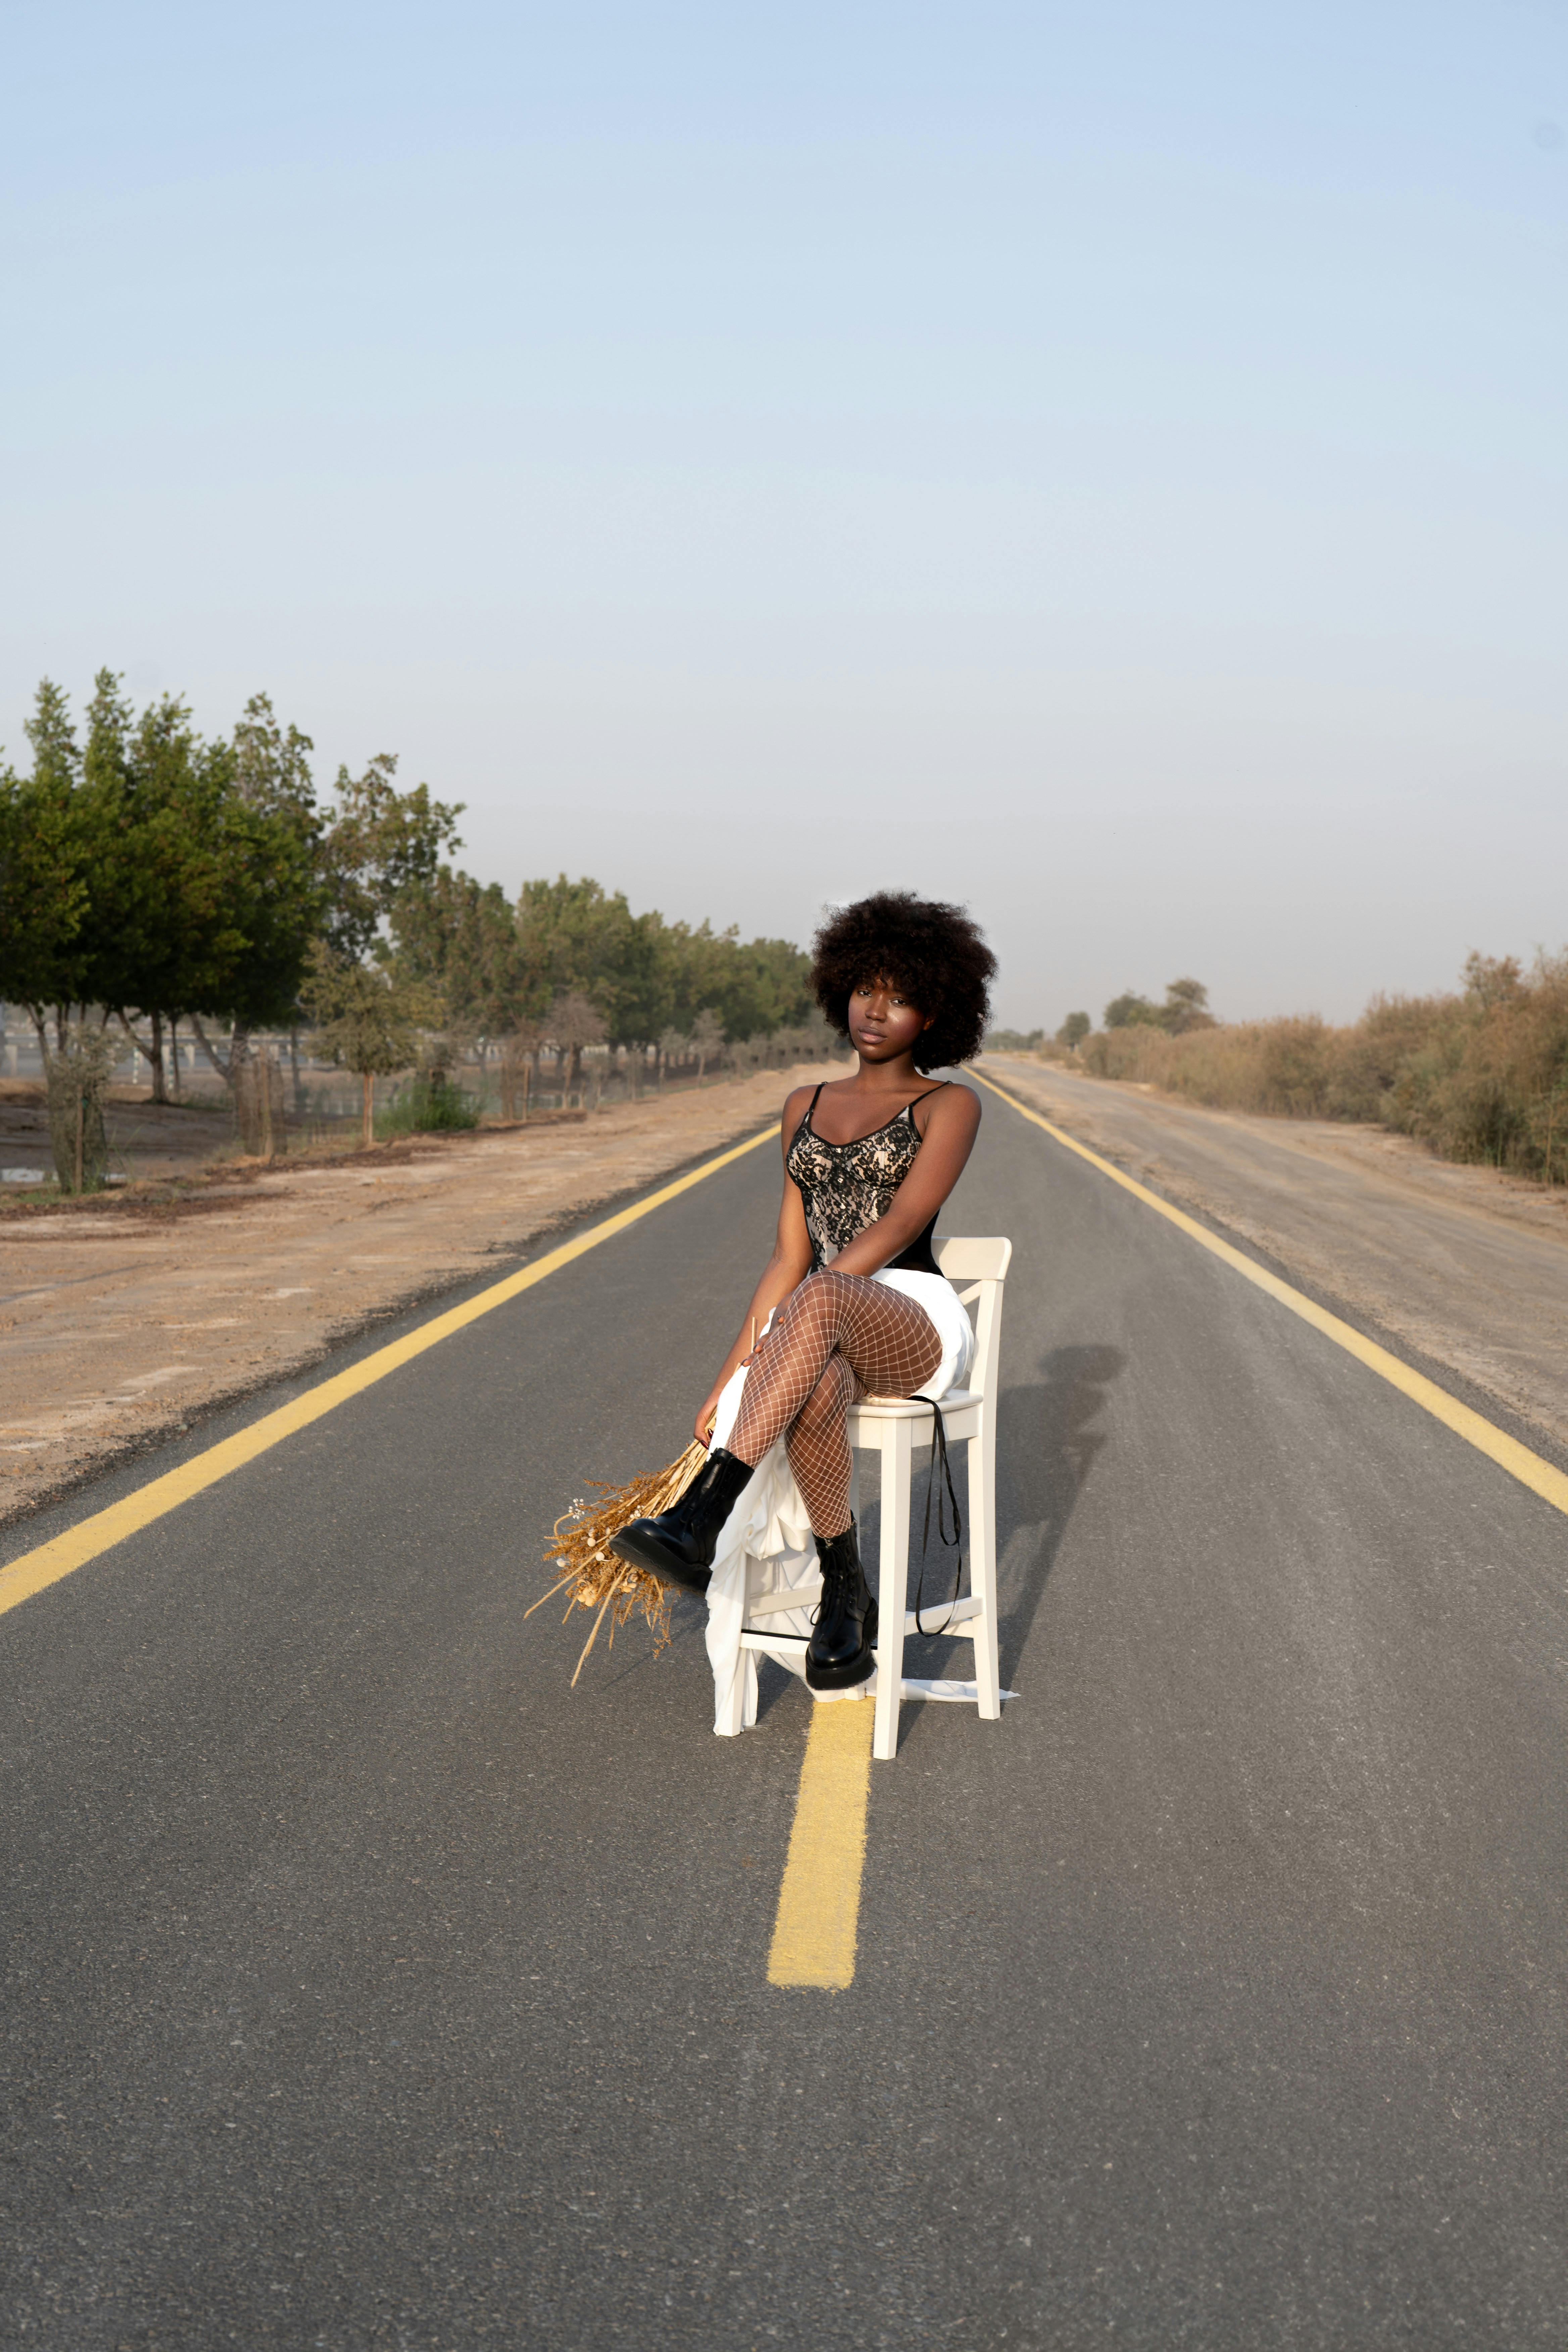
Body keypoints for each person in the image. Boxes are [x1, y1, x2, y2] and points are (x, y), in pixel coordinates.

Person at [611, 890, 995, 1694]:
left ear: (934, 1014)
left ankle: (700, 1518)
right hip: (818, 1322)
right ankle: (843, 1595)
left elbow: (897, 1228)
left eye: (900, 998)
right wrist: (728, 1380)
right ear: (840, 988)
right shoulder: (803, 1107)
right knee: (812, 1378)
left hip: (910, 1319)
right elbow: (787, 1258)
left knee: (821, 1298)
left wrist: (797, 1316)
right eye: (865, 989)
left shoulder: (948, 1103)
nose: (875, 1010)